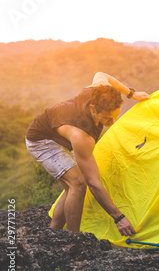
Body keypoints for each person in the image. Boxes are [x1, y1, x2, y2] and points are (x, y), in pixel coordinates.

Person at [25, 72, 150, 236]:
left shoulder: (99, 89)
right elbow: (93, 182)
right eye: (107, 118)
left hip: (61, 136)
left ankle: (54, 232)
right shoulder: (81, 136)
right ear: (93, 109)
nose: (112, 123)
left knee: (70, 187)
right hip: (42, 141)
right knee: (78, 183)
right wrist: (118, 217)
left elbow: (102, 74)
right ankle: (73, 239)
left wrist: (131, 94)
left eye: (115, 116)